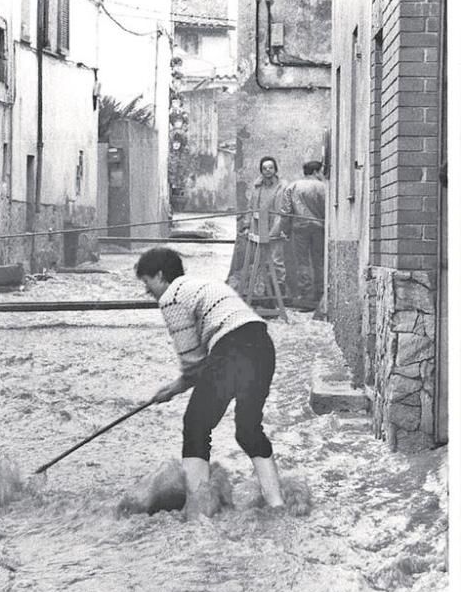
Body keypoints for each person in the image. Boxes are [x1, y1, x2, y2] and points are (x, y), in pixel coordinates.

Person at [135, 247, 285, 509]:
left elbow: (194, 366)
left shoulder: (172, 296)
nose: (148, 292)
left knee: (195, 423)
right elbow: (204, 365)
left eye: (148, 284)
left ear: (160, 275)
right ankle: (277, 504)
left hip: (231, 349)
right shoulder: (203, 285)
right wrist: (177, 386)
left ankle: (198, 509)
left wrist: (171, 390)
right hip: (262, 345)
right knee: (248, 430)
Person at [236, 156, 289, 297]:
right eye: (265, 168)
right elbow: (251, 208)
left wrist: (277, 230)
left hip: (276, 227)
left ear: (275, 169)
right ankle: (264, 292)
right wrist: (247, 225)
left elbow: (283, 210)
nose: (268, 171)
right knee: (260, 260)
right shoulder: (257, 188)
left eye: (271, 168)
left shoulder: (282, 187)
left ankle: (278, 295)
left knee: (276, 260)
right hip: (259, 227)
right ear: (261, 171)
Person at [281, 160, 326, 311]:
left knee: (303, 262)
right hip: (319, 228)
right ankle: (319, 295)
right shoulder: (323, 187)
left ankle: (305, 296)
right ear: (315, 172)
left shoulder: (292, 187)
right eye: (320, 171)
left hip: (299, 228)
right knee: (319, 261)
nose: (321, 175)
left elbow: (286, 211)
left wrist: (285, 230)